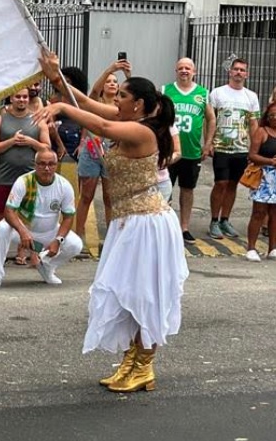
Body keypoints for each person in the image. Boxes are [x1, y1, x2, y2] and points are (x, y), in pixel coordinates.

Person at [38, 50, 188, 393]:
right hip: (128, 223)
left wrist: (61, 107)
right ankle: (130, 362)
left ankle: (145, 366)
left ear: (137, 104)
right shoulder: (132, 118)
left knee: (145, 294)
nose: (115, 98)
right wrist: (57, 79)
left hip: (147, 223)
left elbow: (101, 125)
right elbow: (89, 106)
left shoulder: (143, 132)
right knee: (125, 293)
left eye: (122, 95)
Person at [0, 148, 82, 290]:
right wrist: (23, 231)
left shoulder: (64, 186)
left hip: (49, 232)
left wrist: (58, 240)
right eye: (42, 164)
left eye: (51, 164)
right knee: (2, 228)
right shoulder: (24, 181)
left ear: (56, 165)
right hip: (23, 231)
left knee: (76, 244)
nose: (46, 168)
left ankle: (47, 266)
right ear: (35, 164)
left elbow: (68, 217)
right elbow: (9, 210)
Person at [0, 87, 50, 265]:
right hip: (5, 176)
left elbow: (47, 148)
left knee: (32, 217)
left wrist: (31, 142)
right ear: (11, 99)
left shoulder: (37, 120)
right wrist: (11, 141)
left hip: (30, 178)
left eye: (25, 97)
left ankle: (29, 254)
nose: (22, 100)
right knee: (0, 216)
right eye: (18, 97)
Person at [74, 62, 129, 245]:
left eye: (115, 82)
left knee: (109, 197)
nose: (112, 84)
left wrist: (128, 75)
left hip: (113, 152)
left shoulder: (122, 105)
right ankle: (78, 235)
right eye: (109, 81)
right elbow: (92, 94)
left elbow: (140, 98)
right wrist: (110, 70)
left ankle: (111, 237)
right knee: (86, 196)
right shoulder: (96, 103)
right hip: (92, 150)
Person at [162, 58, 216, 243]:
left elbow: (211, 119)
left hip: (191, 152)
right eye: (180, 68)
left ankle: (184, 227)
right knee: (164, 189)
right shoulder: (165, 90)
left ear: (195, 71)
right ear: (175, 71)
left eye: (188, 68)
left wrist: (208, 143)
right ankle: (164, 226)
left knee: (187, 189)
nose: (184, 71)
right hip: (169, 151)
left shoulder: (202, 93)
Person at [208, 58, 260, 239]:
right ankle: (214, 220)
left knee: (232, 185)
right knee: (220, 183)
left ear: (247, 74)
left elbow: (254, 124)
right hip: (221, 147)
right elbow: (210, 120)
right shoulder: (217, 93)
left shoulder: (251, 97)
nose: (239, 72)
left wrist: (254, 149)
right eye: (236, 69)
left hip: (241, 149)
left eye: (242, 70)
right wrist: (208, 143)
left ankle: (225, 220)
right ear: (229, 72)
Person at [245, 102, 276, 262]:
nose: (274, 118)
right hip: (264, 177)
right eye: (272, 115)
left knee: (274, 214)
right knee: (259, 212)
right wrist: (271, 162)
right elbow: (252, 155)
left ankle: (273, 248)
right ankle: (251, 247)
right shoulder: (261, 132)